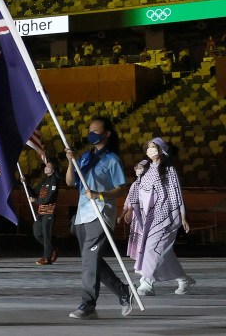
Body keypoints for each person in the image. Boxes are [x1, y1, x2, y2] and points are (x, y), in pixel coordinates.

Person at [65, 116, 133, 320]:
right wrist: (70, 162)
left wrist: (99, 195)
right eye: (90, 129)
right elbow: (70, 182)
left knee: (89, 260)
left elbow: (121, 188)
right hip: (82, 215)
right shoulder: (85, 157)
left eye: (96, 129)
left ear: (107, 134)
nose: (91, 132)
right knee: (91, 260)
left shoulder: (112, 159)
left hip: (100, 213)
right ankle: (123, 291)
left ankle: (88, 304)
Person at [122, 138, 195, 296]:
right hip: (148, 217)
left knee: (152, 248)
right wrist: (129, 208)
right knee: (161, 251)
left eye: (153, 147)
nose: (150, 150)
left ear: (161, 150)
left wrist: (183, 216)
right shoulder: (145, 169)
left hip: (166, 215)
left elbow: (176, 194)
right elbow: (137, 188)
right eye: (148, 147)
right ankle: (184, 279)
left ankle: (147, 282)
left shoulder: (169, 170)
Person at [29, 160, 60, 265]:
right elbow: (34, 192)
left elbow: (49, 198)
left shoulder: (54, 180)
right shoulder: (44, 180)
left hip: (49, 212)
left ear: (52, 169)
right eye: (45, 166)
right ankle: (52, 249)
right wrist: (25, 184)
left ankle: (46, 258)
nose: (45, 168)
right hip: (41, 212)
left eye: (48, 167)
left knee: (46, 236)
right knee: (37, 233)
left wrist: (35, 201)